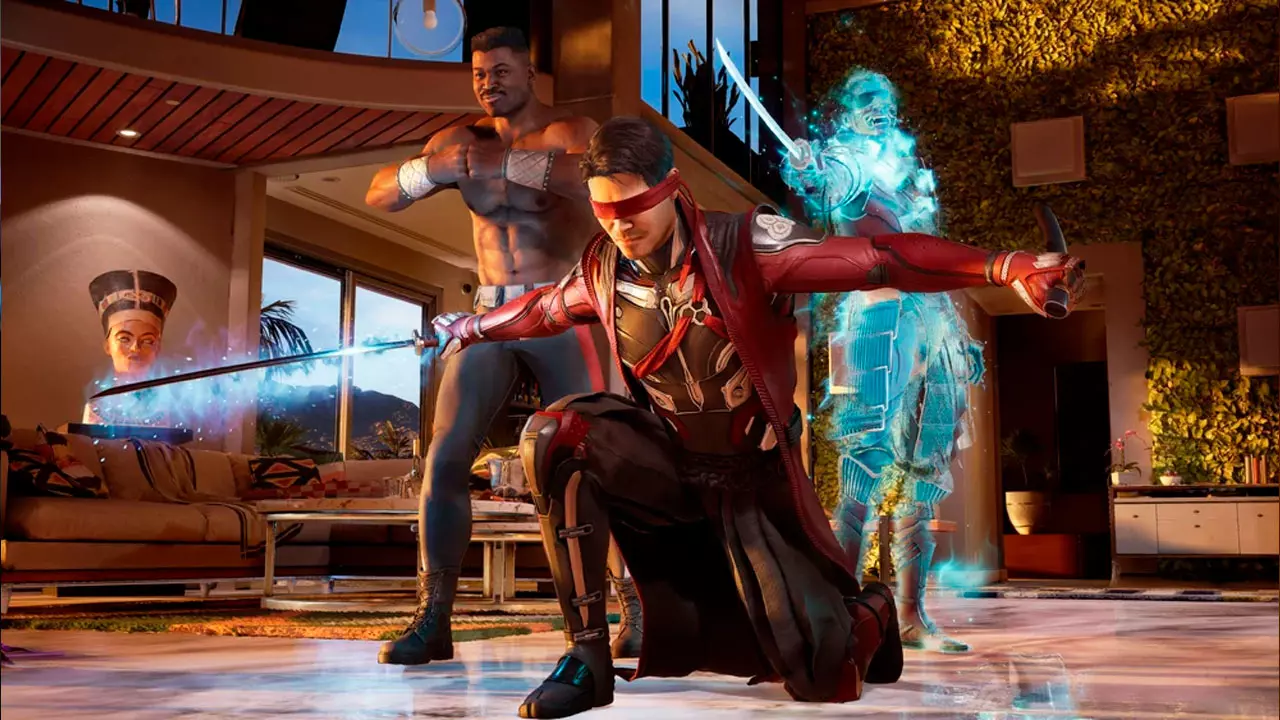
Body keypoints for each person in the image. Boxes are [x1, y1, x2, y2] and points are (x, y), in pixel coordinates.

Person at [429, 116, 1085, 718]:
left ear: (671, 187)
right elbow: (544, 308)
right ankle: (586, 659)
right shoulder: (603, 268)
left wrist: (1005, 265)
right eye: (605, 211)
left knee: (820, 673)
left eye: (632, 207)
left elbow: (880, 259)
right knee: (556, 434)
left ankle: (871, 611)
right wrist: (471, 327)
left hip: (753, 488)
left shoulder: (748, 245)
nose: (620, 227)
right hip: (670, 476)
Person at [364, 27, 641, 666]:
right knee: (445, 454)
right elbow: (378, 194)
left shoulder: (569, 131)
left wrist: (505, 165)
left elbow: (599, 183)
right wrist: (429, 170)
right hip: (491, 311)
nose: (488, 83)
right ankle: (433, 619)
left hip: (564, 306)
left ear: (530, 73)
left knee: (593, 458)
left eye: (501, 71)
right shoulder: (457, 142)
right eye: (479, 73)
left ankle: (632, 609)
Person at [782, 67, 980, 652]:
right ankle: (842, 612)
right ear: (846, 111)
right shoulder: (848, 161)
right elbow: (825, 181)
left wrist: (958, 333)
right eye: (868, 99)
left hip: (930, 325)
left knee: (926, 469)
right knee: (863, 465)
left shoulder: (910, 176)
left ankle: (912, 615)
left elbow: (933, 263)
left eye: (888, 100)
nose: (881, 108)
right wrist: (806, 167)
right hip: (875, 321)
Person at [82, 269, 177, 426]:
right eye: (124, 339)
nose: (135, 348)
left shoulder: (166, 407)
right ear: (108, 346)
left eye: (147, 341)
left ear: (158, 348)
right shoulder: (97, 408)